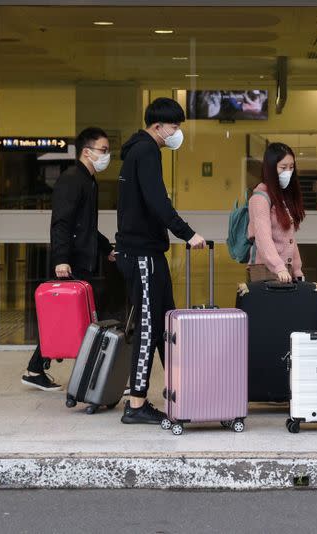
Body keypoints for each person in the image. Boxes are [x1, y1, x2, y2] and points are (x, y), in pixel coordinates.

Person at [115, 97, 206, 425]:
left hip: (146, 252)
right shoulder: (146, 151)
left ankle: (180, 389)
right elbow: (157, 202)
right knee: (150, 327)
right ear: (157, 126)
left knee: (166, 321)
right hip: (142, 255)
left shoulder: (138, 152)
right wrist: (188, 233)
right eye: (175, 126)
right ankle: (136, 403)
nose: (177, 132)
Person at [22, 127, 115, 391]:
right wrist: (61, 259)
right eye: (103, 150)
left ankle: (35, 369)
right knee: (71, 318)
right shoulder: (72, 180)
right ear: (87, 152)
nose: (106, 155)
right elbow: (61, 223)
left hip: (81, 259)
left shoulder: (88, 179)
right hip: (71, 262)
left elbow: (86, 226)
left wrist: (105, 247)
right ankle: (42, 369)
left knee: (71, 318)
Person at [247, 142, 306, 283]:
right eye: (283, 167)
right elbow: (263, 238)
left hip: (284, 270)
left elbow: (289, 238)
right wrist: (279, 267)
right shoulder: (260, 199)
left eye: (291, 167)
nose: (288, 172)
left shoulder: (282, 198)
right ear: (271, 169)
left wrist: (297, 269)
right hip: (265, 269)